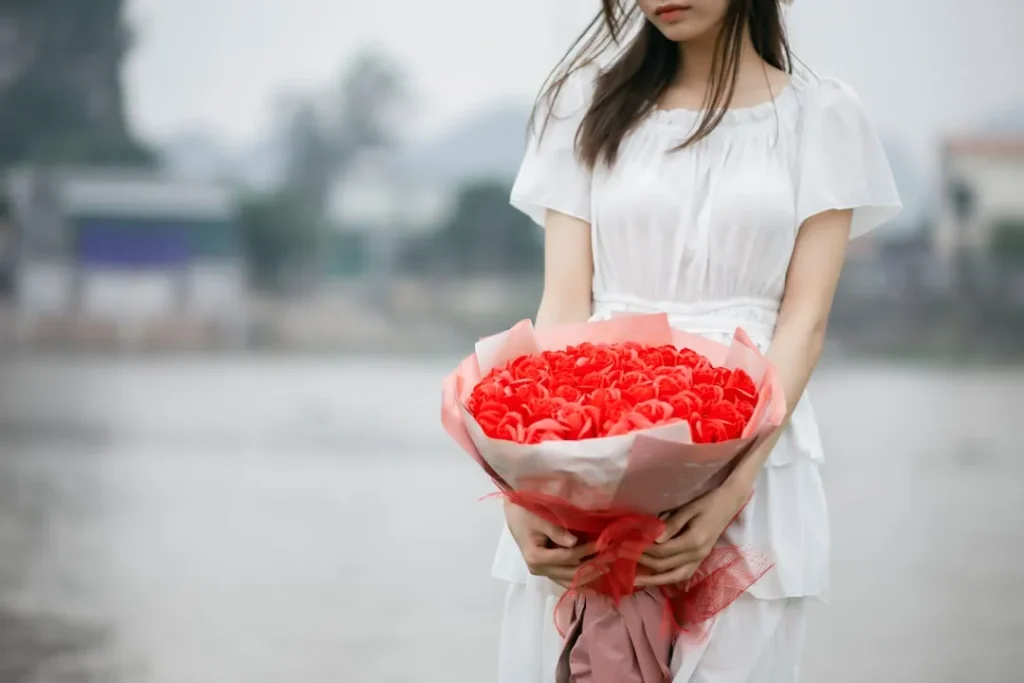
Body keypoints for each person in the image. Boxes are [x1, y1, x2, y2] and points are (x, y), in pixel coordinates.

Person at [495, 1, 902, 681]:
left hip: (751, 461)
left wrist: (730, 492)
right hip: (589, 447)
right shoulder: (582, 105)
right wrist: (526, 491)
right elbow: (562, 309)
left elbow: (803, 325)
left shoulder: (822, 117)